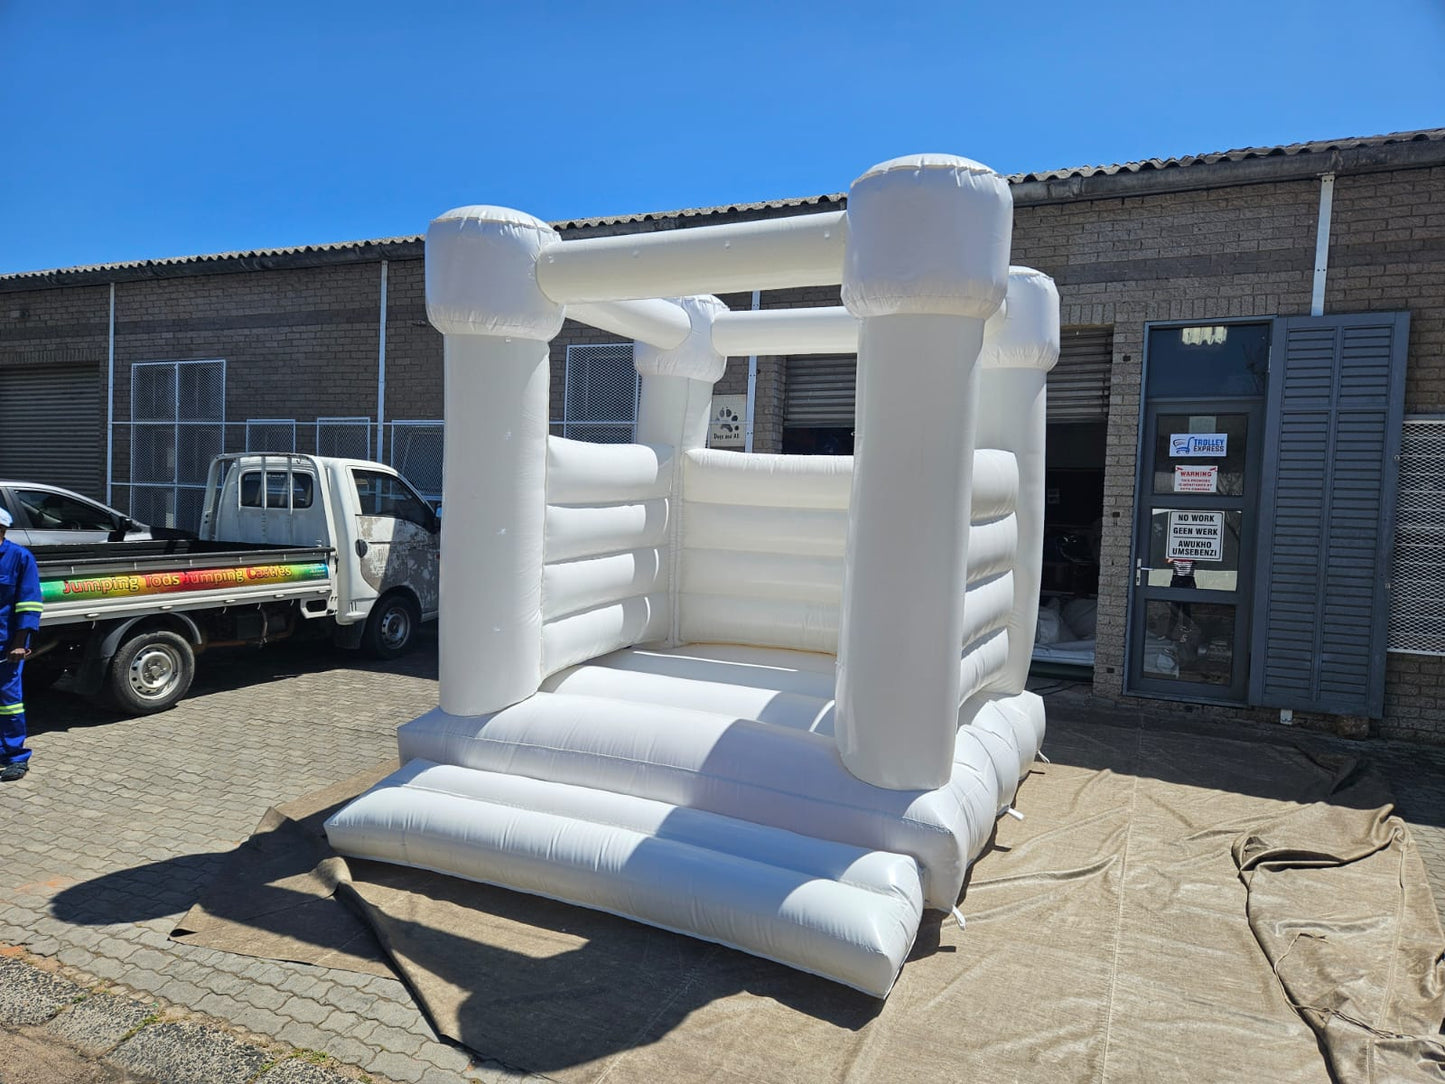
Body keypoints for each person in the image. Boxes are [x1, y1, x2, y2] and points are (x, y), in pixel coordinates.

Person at [0, 507, 42, 782]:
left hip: (6, 647)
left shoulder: (19, 558)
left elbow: (29, 603)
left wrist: (20, 643)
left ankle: (15, 756)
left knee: (8, 703)